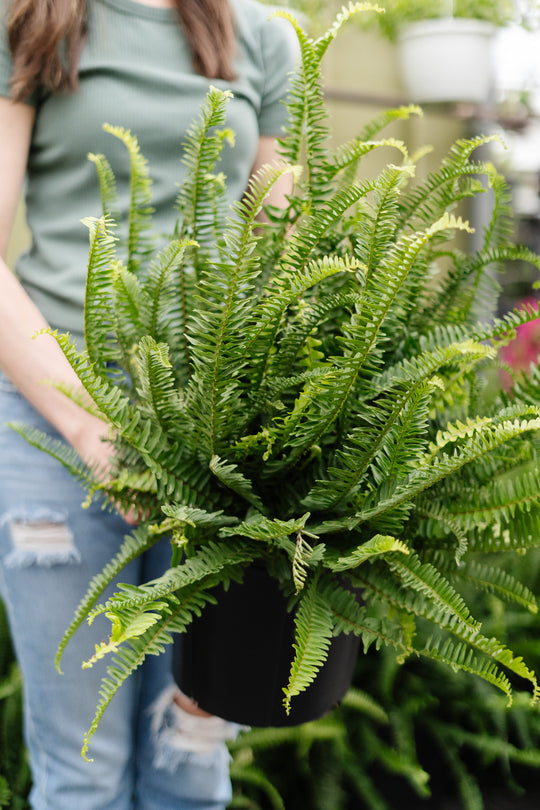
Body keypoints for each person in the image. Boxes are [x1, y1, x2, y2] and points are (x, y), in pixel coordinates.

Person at [0, 1, 296, 808]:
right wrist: (87, 424)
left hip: (213, 432)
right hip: (55, 416)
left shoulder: (264, 35)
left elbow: (277, 247)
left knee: (192, 759)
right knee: (82, 774)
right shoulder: (33, 19)